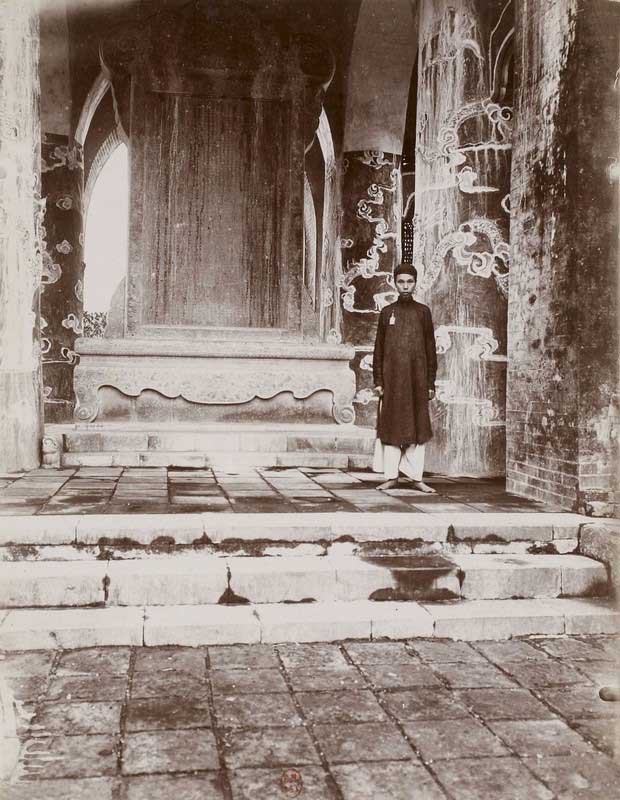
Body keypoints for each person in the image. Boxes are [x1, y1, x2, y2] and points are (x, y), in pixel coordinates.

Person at [372, 262, 437, 492]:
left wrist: (430, 383)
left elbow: (431, 350)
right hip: (392, 383)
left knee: (417, 428)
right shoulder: (387, 313)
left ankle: (416, 477)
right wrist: (378, 381)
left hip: (417, 382)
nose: (406, 286)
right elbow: (378, 349)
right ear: (395, 283)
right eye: (401, 282)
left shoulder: (423, 312)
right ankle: (391, 476)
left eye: (410, 282)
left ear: (415, 283)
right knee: (391, 428)